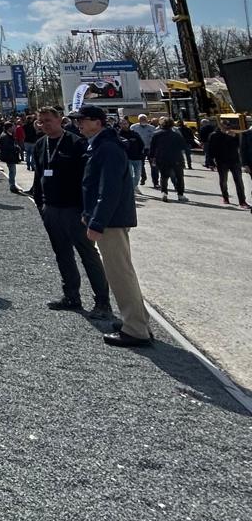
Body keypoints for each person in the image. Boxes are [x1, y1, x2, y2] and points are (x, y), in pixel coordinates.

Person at [76, 105, 152, 348]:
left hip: (111, 220)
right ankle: (137, 320)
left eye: (83, 120)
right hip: (111, 218)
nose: (79, 124)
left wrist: (97, 220)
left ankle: (135, 329)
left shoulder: (107, 148)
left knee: (119, 273)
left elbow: (108, 189)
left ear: (98, 122)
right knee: (123, 271)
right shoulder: (102, 145)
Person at [30, 108, 111, 316]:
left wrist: (87, 211)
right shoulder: (40, 145)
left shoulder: (77, 144)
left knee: (87, 254)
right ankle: (71, 296)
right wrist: (40, 205)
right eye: (41, 122)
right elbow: (38, 177)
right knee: (62, 254)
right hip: (51, 209)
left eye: (48, 120)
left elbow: (88, 180)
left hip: (74, 210)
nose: (45, 125)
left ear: (60, 120)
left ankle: (102, 301)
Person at [204, 120, 248, 207]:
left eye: (228, 126)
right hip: (221, 161)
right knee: (223, 180)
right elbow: (210, 149)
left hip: (234, 160)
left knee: (239, 181)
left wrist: (235, 137)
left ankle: (242, 201)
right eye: (224, 126)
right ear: (220, 126)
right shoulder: (214, 135)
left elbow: (239, 147)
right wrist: (211, 162)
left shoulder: (233, 134)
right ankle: (225, 197)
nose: (226, 127)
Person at [148, 118, 188, 203]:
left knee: (164, 176)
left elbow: (152, 148)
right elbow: (183, 146)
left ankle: (164, 193)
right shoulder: (176, 135)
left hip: (162, 158)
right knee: (179, 177)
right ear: (172, 125)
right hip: (176, 158)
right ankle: (180, 195)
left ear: (162, 125)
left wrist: (152, 157)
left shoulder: (156, 134)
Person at [118, 118, 146, 202]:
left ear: (128, 124)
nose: (124, 125)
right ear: (120, 125)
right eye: (122, 123)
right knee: (129, 176)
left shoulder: (134, 134)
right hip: (126, 159)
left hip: (137, 158)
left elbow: (141, 144)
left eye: (125, 123)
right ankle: (131, 190)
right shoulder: (118, 135)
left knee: (137, 176)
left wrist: (141, 154)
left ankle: (134, 186)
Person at [131, 114, 157, 184]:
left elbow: (155, 139)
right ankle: (143, 177)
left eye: (144, 119)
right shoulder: (133, 127)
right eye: (141, 119)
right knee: (141, 165)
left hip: (150, 149)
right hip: (139, 149)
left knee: (153, 166)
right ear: (138, 120)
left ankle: (155, 182)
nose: (143, 120)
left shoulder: (152, 128)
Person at [0, 126, 24, 193]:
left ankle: (13, 185)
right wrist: (16, 148)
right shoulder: (5, 136)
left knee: (12, 171)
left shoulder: (7, 135)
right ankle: (12, 186)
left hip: (10, 156)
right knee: (12, 171)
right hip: (9, 156)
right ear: (8, 128)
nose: (13, 128)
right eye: (12, 127)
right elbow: (7, 147)